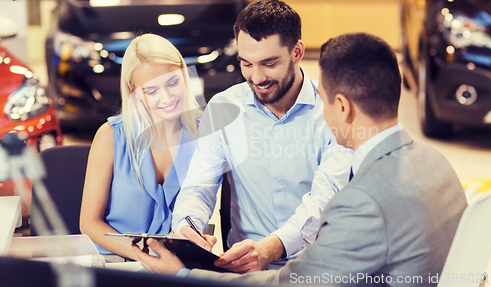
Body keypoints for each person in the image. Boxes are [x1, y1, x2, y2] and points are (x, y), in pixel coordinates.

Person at [133, 32, 468, 286]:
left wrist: (184, 274)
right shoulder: (436, 163)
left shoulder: (361, 203)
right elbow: (200, 185)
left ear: (343, 106)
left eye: (322, 101)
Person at [170, 0, 353, 272]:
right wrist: (188, 227)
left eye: (269, 63)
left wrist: (270, 248)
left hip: (317, 268)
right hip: (245, 270)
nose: (256, 78)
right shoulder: (223, 108)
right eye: (246, 63)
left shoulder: (333, 111)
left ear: (297, 52)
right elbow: (199, 187)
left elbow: (325, 201)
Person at [80, 33, 204, 262]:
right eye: (151, 90)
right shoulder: (110, 137)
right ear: (134, 92)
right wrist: (143, 257)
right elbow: (89, 223)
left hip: (182, 266)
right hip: (119, 262)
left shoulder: (206, 133)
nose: (167, 98)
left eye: (172, 82)